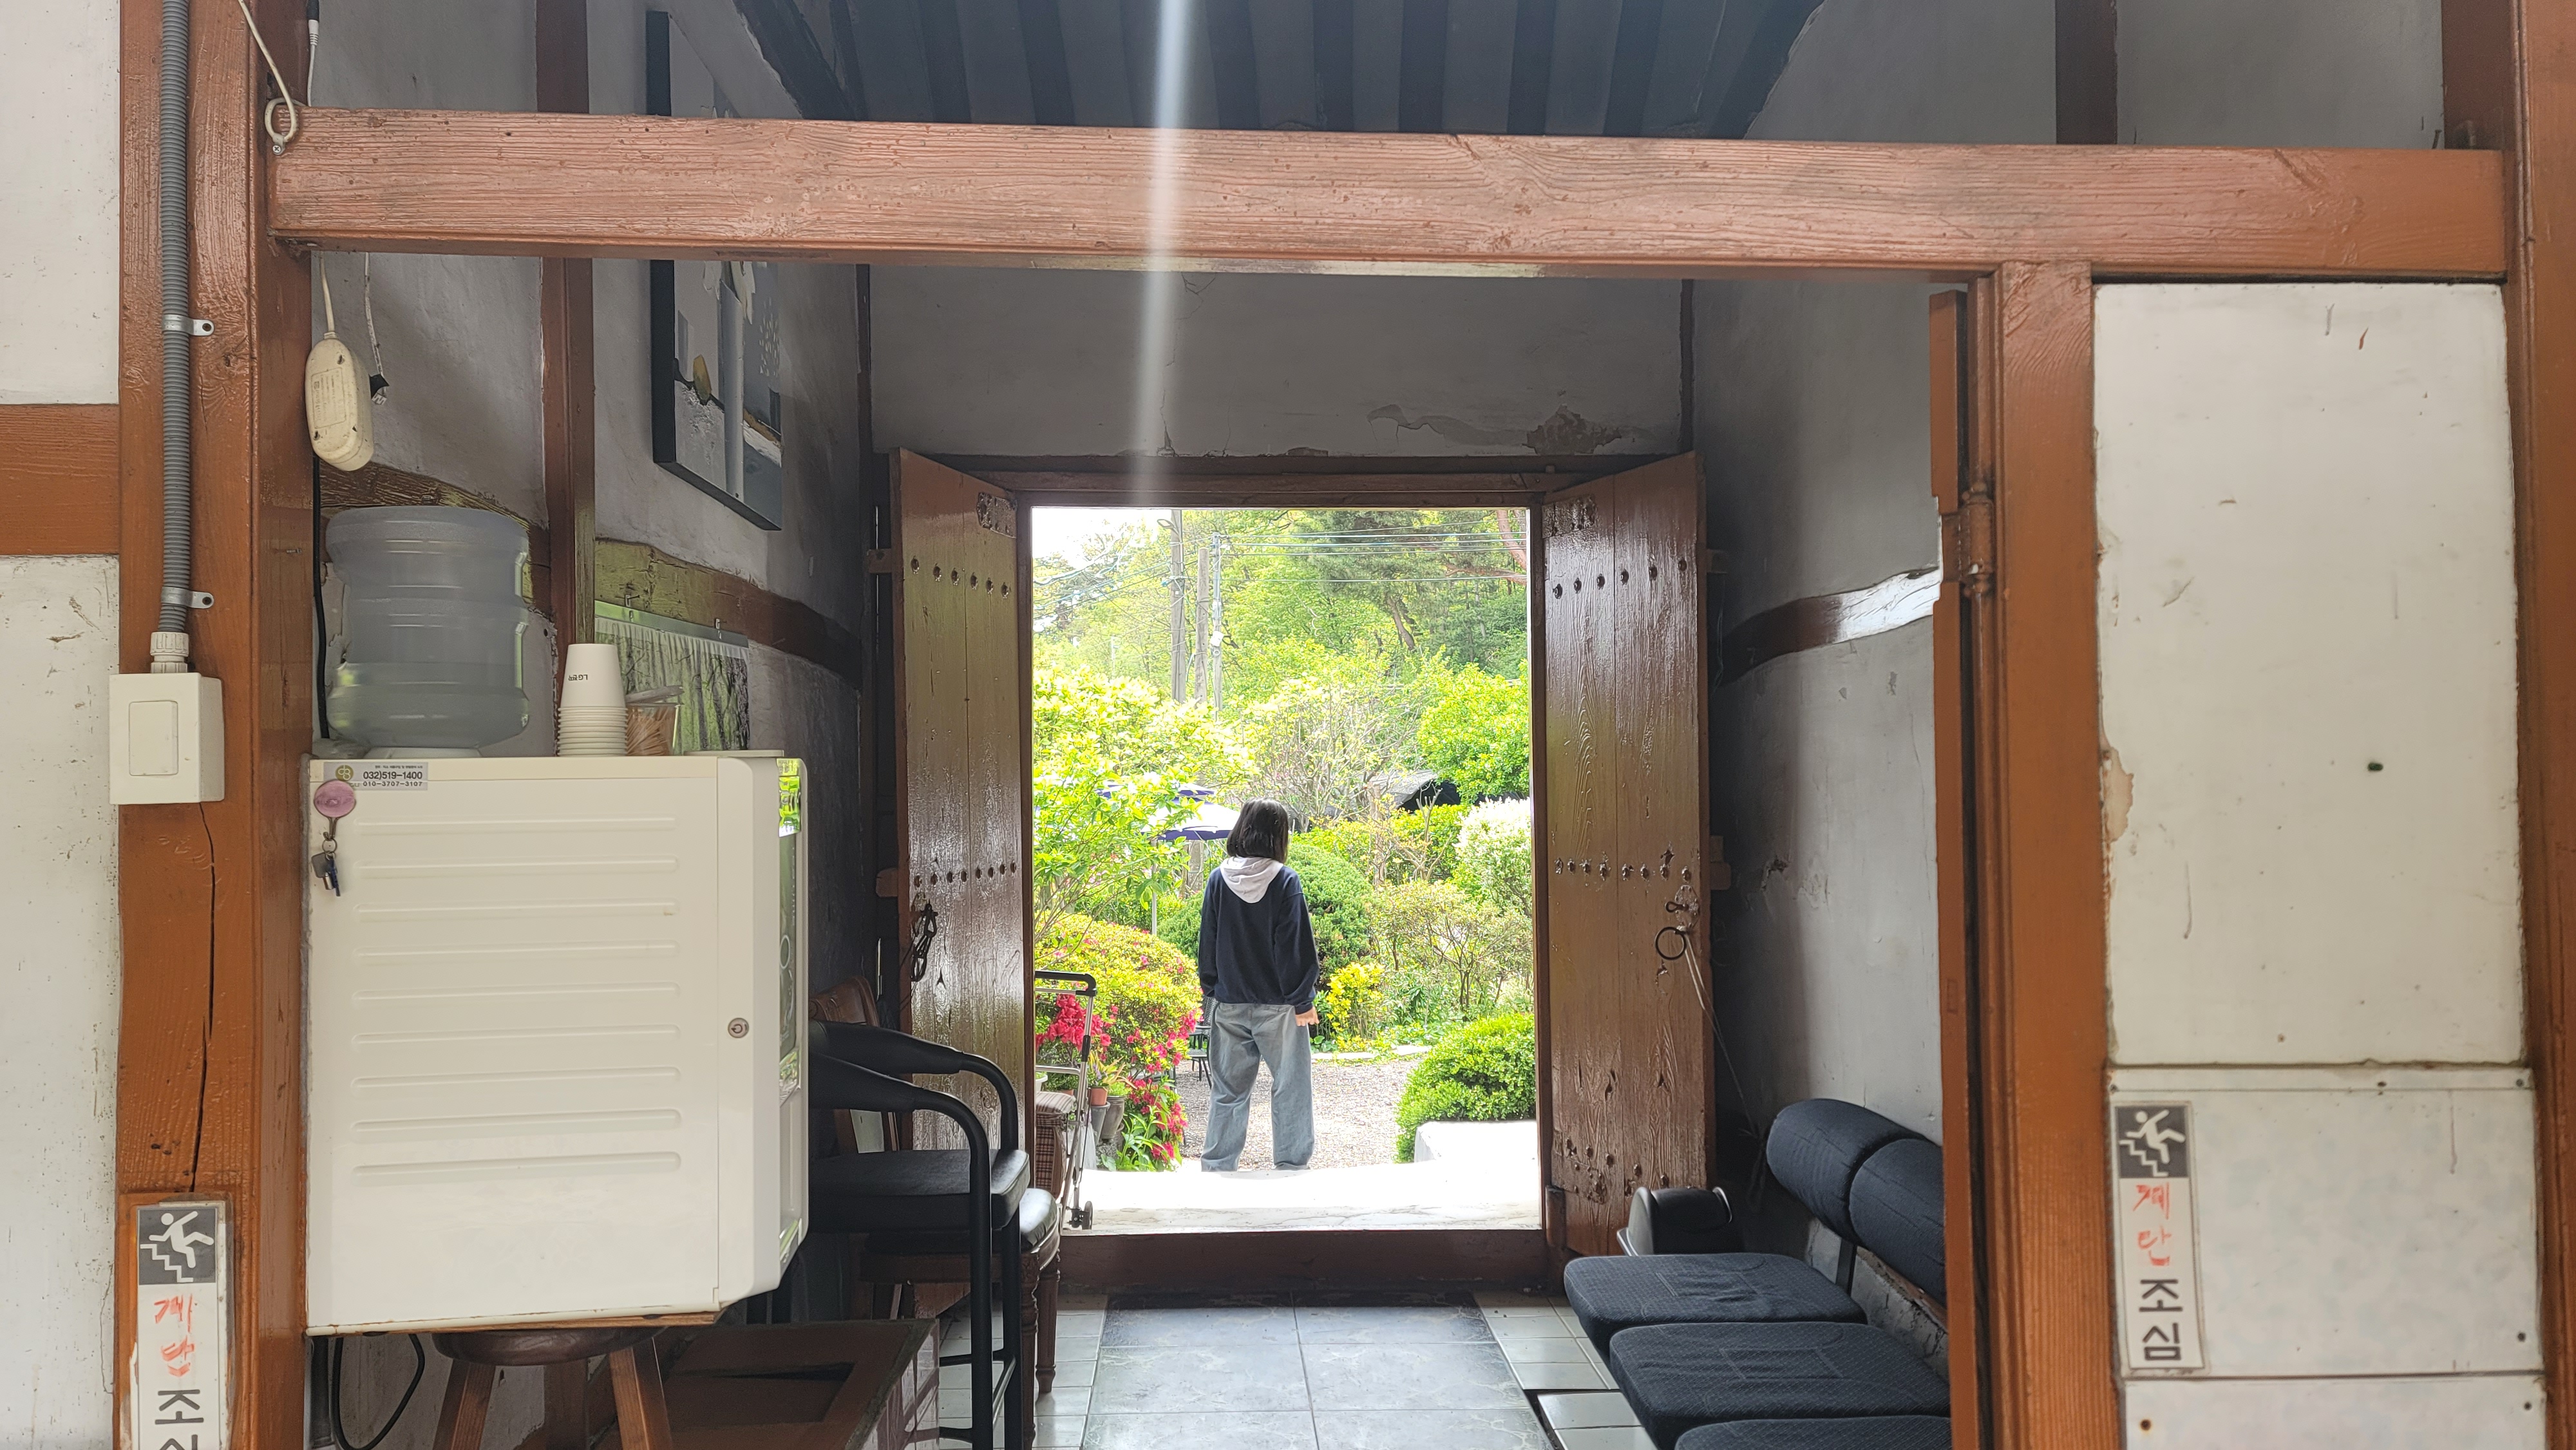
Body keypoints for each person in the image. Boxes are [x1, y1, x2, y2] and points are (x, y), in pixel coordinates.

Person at [1195, 798, 1322, 1171]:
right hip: (1280, 1008)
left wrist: (1212, 988)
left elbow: (1208, 940)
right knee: (1291, 1087)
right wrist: (1303, 1000)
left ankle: (1218, 1168)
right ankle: (1292, 1167)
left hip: (1230, 1003)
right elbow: (1294, 946)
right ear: (1279, 835)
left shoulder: (1218, 879)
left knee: (1228, 1092)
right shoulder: (1285, 881)